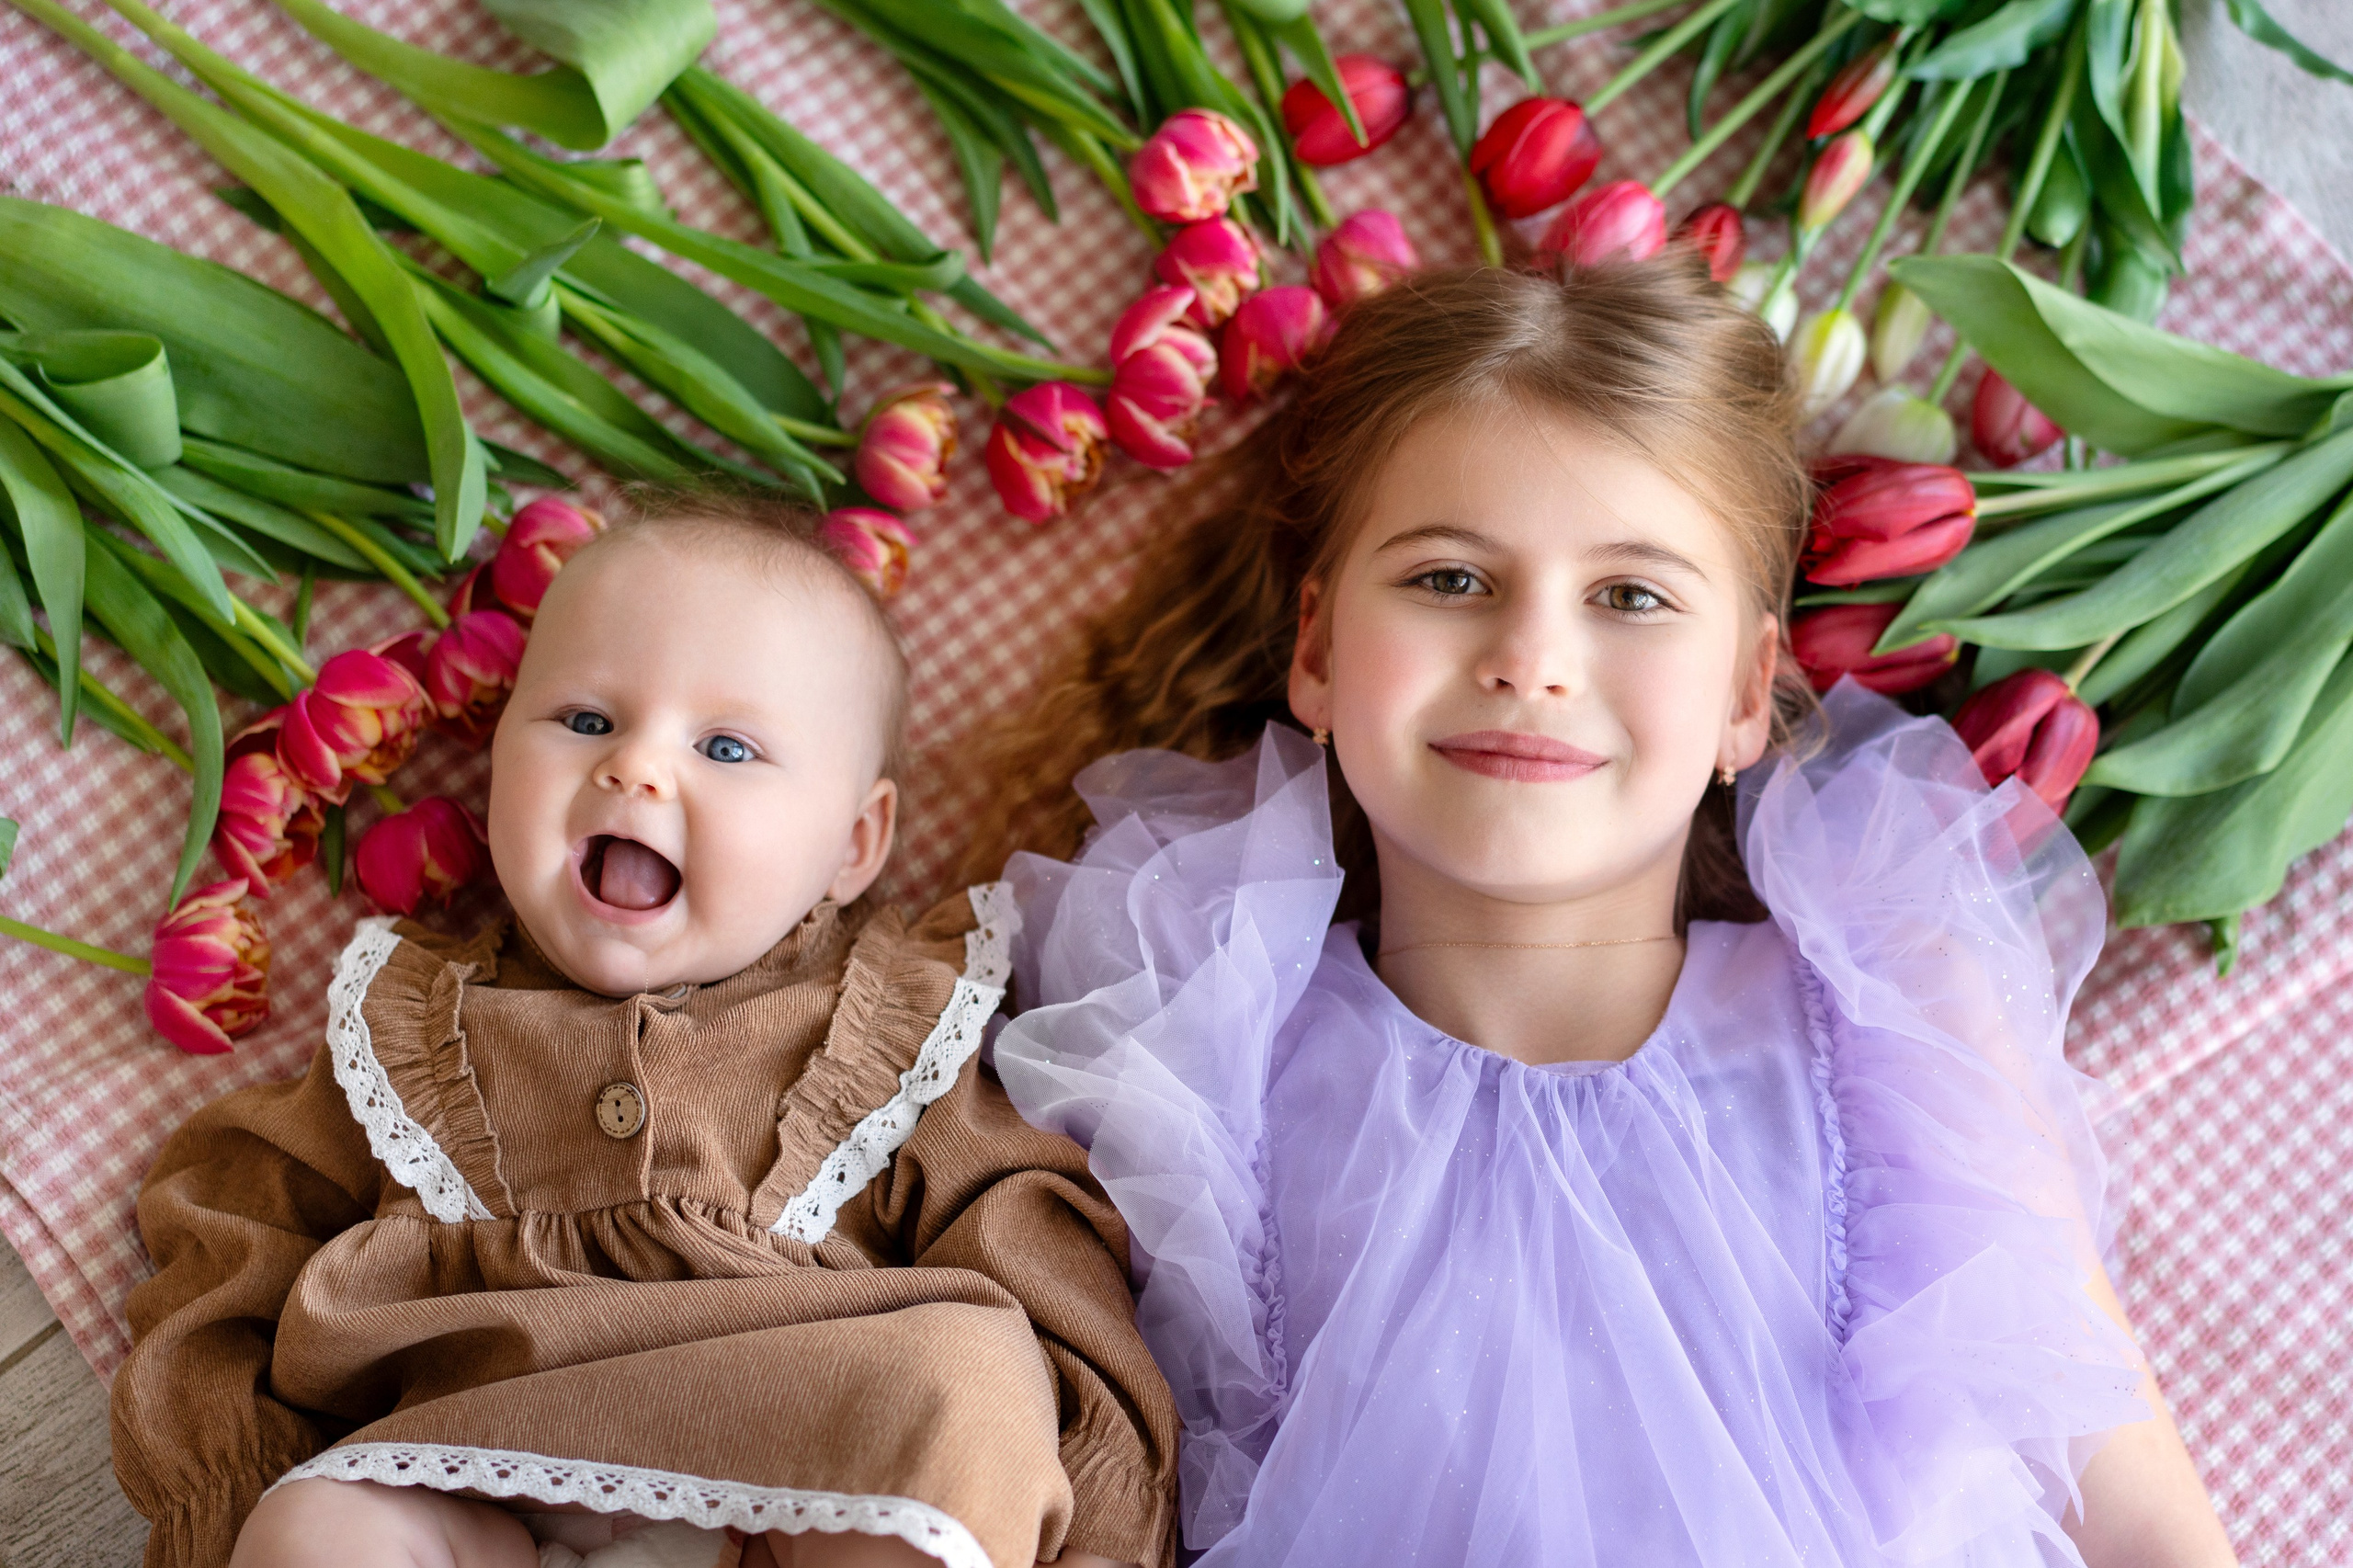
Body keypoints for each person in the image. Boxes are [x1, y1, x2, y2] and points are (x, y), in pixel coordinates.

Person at [962, 259, 2237, 1567]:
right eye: (1449, 578)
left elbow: (2135, 1508)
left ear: (1745, 692)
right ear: (1319, 649)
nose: (1531, 658)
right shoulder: (1191, 1053)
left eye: (1630, 595)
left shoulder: (1886, 1021)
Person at [110, 495, 1177, 1568]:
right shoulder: (411, 1030)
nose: (635, 767)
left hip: (806, 1476)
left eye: (726, 745)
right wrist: (231, 1485)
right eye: (586, 720)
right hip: (479, 1465)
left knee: (965, 1369)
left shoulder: (889, 1035)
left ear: (853, 843)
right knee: (314, 1522)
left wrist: (1102, 1522)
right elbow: (230, 1237)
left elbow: (1042, 1255)